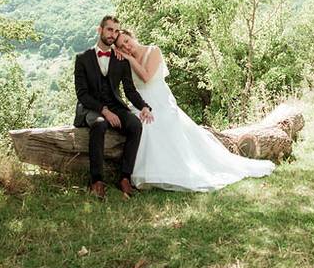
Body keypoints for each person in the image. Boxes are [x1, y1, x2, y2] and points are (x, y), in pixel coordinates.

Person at [114, 29, 275, 191]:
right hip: (140, 103)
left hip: (161, 100)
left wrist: (129, 59)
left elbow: (146, 77)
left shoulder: (153, 51)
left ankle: (172, 172)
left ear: (132, 36)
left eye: (126, 41)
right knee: (142, 127)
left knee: (160, 123)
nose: (126, 47)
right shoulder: (124, 61)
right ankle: (142, 174)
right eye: (121, 47)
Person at [73, 16, 153, 199]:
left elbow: (130, 90)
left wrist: (144, 107)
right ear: (99, 30)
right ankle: (97, 181)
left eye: (116, 31)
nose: (113, 34)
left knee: (135, 125)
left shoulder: (120, 60)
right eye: (109, 30)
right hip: (90, 108)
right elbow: (82, 94)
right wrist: (104, 110)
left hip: (115, 106)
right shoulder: (82, 58)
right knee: (100, 124)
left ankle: (125, 177)